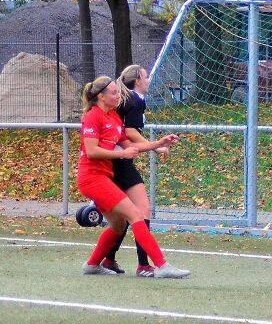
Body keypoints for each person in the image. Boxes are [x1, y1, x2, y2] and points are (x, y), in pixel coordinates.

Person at [78, 76, 190, 279]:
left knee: (118, 225)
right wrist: (122, 154)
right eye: (114, 92)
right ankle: (162, 265)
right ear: (101, 97)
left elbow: (130, 145)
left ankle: (92, 264)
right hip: (92, 178)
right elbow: (92, 151)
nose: (118, 95)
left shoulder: (113, 117)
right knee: (135, 215)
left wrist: (158, 143)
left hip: (103, 177)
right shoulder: (92, 116)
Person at [100, 64, 164, 277]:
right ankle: (143, 265)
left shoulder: (128, 99)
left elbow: (124, 133)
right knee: (142, 209)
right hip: (119, 162)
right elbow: (129, 132)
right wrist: (155, 146)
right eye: (145, 77)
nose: (148, 80)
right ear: (137, 80)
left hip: (116, 160)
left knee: (126, 216)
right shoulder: (135, 100)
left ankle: (108, 259)